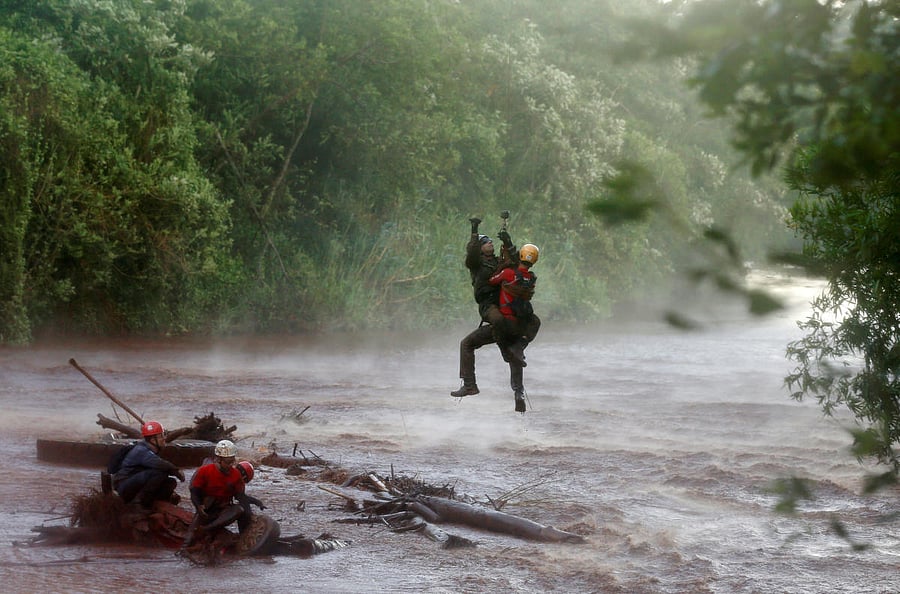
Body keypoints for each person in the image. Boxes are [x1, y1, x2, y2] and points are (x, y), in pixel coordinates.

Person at [450, 216, 516, 399]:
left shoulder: (498, 261)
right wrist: (474, 230)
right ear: (479, 248)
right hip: (489, 305)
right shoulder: (476, 264)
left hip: (504, 303)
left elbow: (516, 262)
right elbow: (471, 252)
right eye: (485, 242)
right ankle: (470, 385)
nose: (490, 244)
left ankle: (509, 352)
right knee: (493, 323)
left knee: (500, 321)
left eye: (491, 241)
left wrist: (507, 241)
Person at [488, 243, 541, 412]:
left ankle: (469, 383)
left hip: (506, 320)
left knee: (469, 342)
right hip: (521, 323)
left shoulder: (508, 273)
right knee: (516, 354)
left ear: (520, 256)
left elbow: (491, 281)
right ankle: (519, 393)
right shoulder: (531, 278)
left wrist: (501, 266)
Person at [189, 440, 266, 536]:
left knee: (240, 509)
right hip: (207, 509)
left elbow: (241, 498)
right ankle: (203, 528)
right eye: (228, 462)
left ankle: (208, 529)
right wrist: (198, 506)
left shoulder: (236, 475)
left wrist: (255, 505)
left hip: (223, 510)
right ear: (218, 460)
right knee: (189, 539)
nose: (231, 465)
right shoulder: (204, 471)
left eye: (232, 461)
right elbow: (194, 491)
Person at [112, 420, 185, 508]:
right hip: (123, 487)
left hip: (131, 484)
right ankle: (138, 503)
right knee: (159, 473)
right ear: (153, 440)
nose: (164, 438)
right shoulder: (141, 450)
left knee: (170, 482)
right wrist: (176, 471)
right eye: (161, 436)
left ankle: (156, 501)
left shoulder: (146, 448)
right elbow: (160, 464)